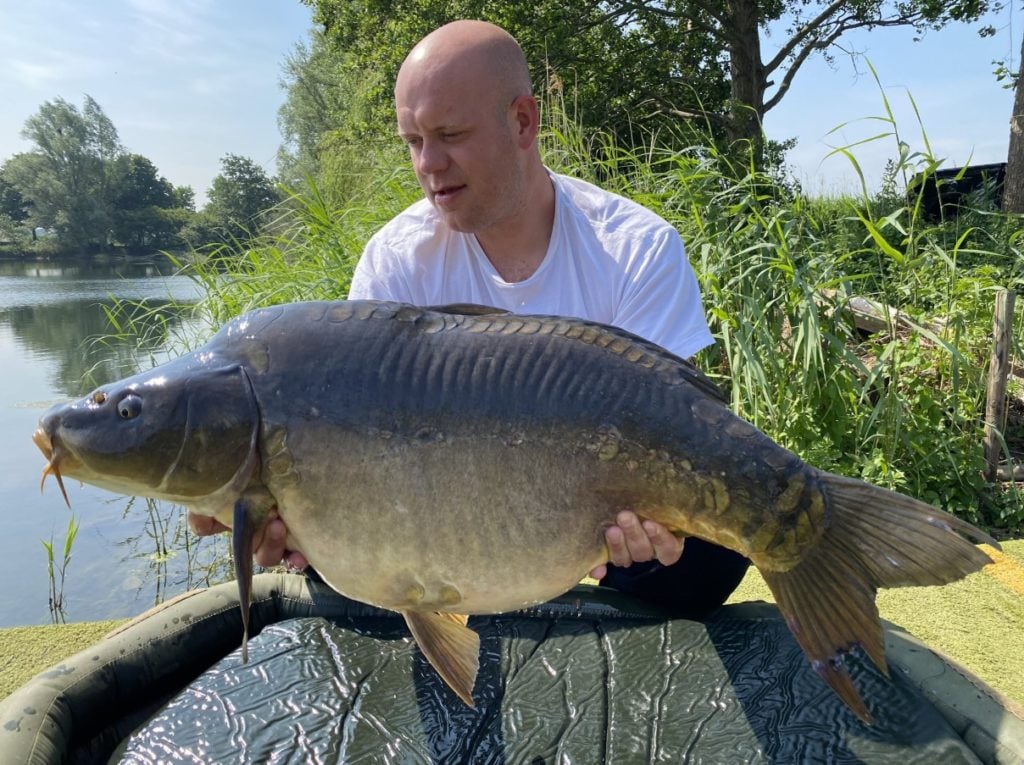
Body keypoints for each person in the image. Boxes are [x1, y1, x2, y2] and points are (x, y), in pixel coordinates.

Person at [191, 19, 749, 614]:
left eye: (450, 134)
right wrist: (301, 522)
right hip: (440, 522)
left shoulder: (635, 248)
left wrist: (661, 524)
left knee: (709, 560)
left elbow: (669, 425)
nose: (429, 163)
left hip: (592, 524)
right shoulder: (396, 258)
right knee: (337, 561)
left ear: (523, 122)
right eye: (412, 141)